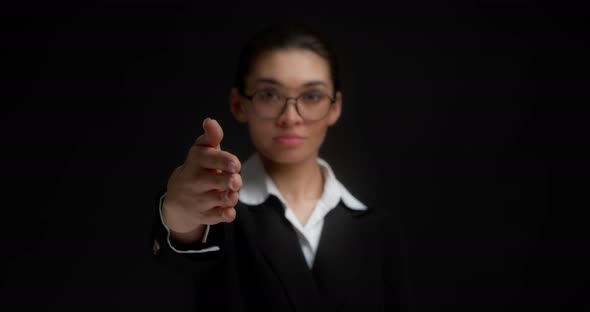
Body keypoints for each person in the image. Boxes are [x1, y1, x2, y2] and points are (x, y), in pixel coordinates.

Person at [150, 23, 408, 312]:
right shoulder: (216, 212)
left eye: (312, 96)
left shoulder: (377, 229)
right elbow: (184, 243)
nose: (290, 117)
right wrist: (177, 213)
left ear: (335, 107)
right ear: (238, 104)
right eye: (269, 94)